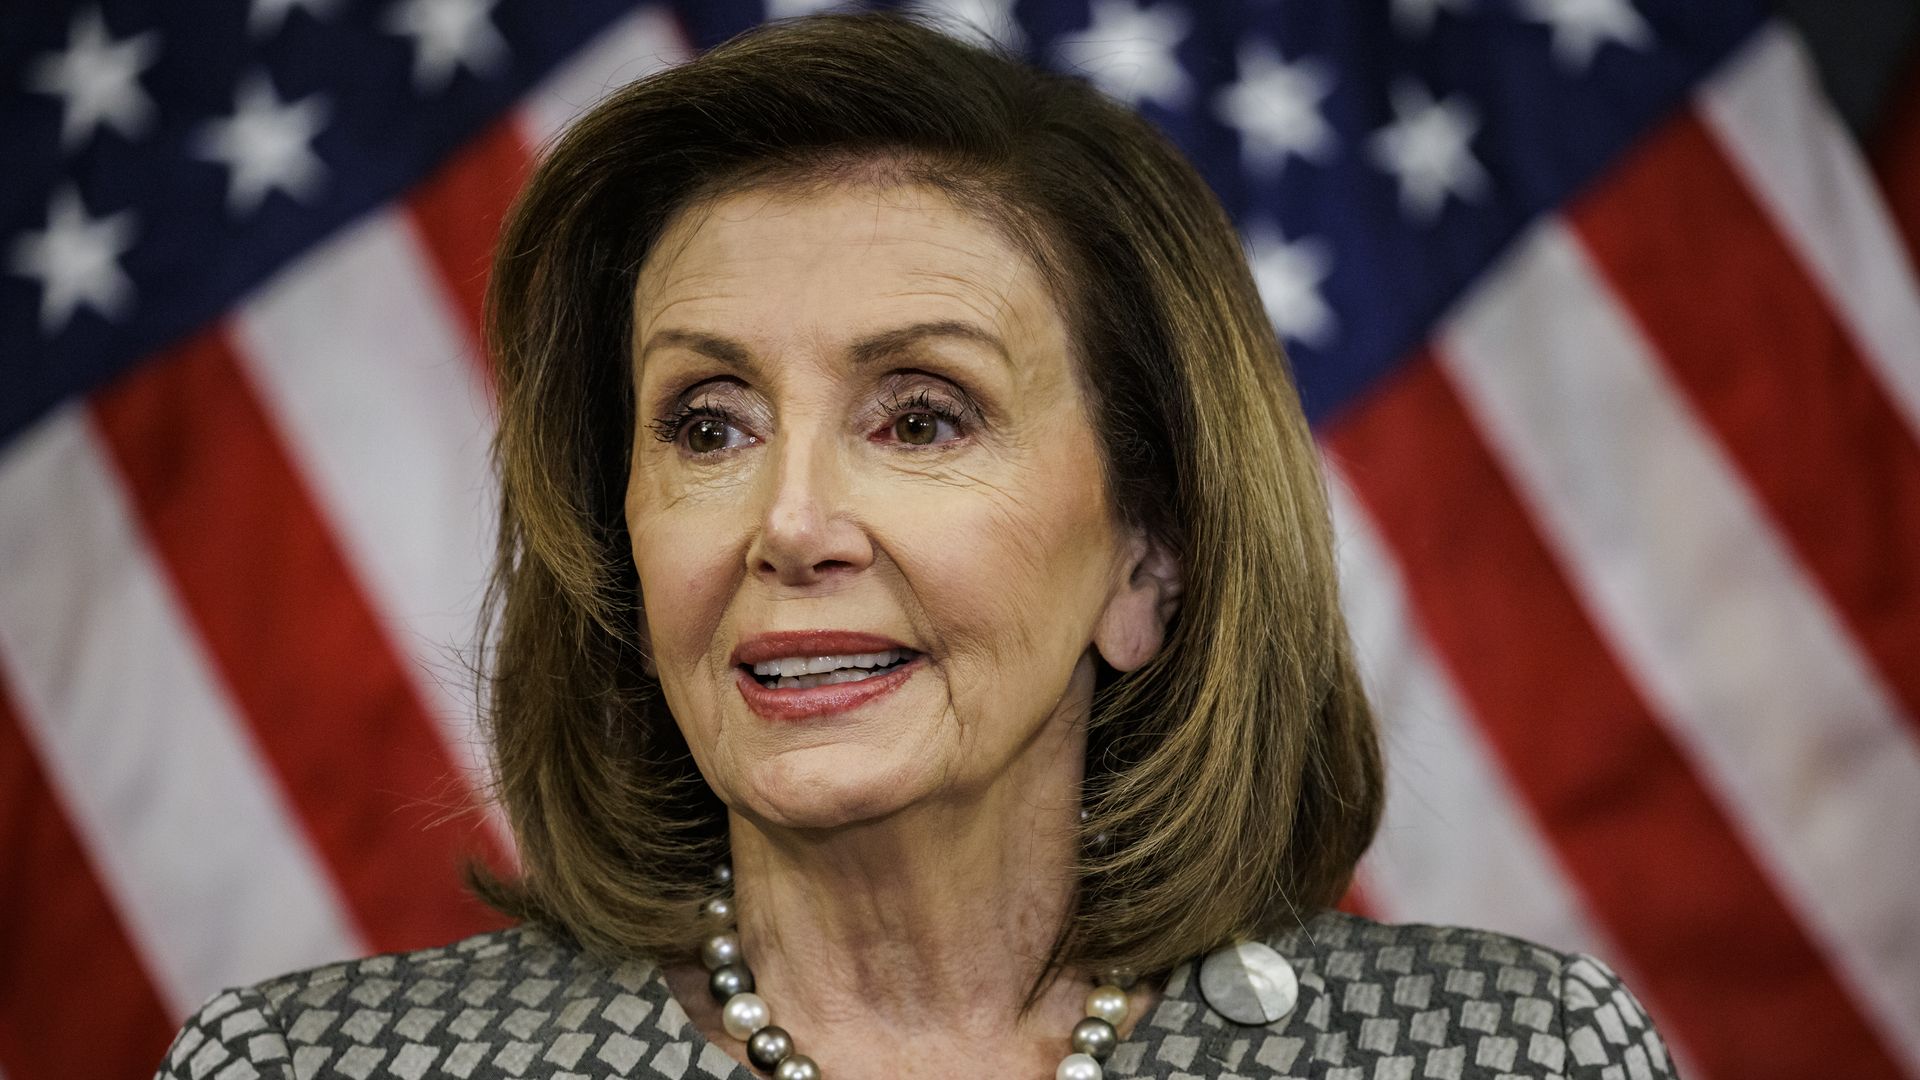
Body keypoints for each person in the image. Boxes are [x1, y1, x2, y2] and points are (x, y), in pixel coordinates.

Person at [155, 11, 1676, 1080]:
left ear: (1150, 565)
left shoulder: (1522, 1053)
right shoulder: (299, 1069)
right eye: (706, 424)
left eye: (925, 417)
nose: (793, 523)